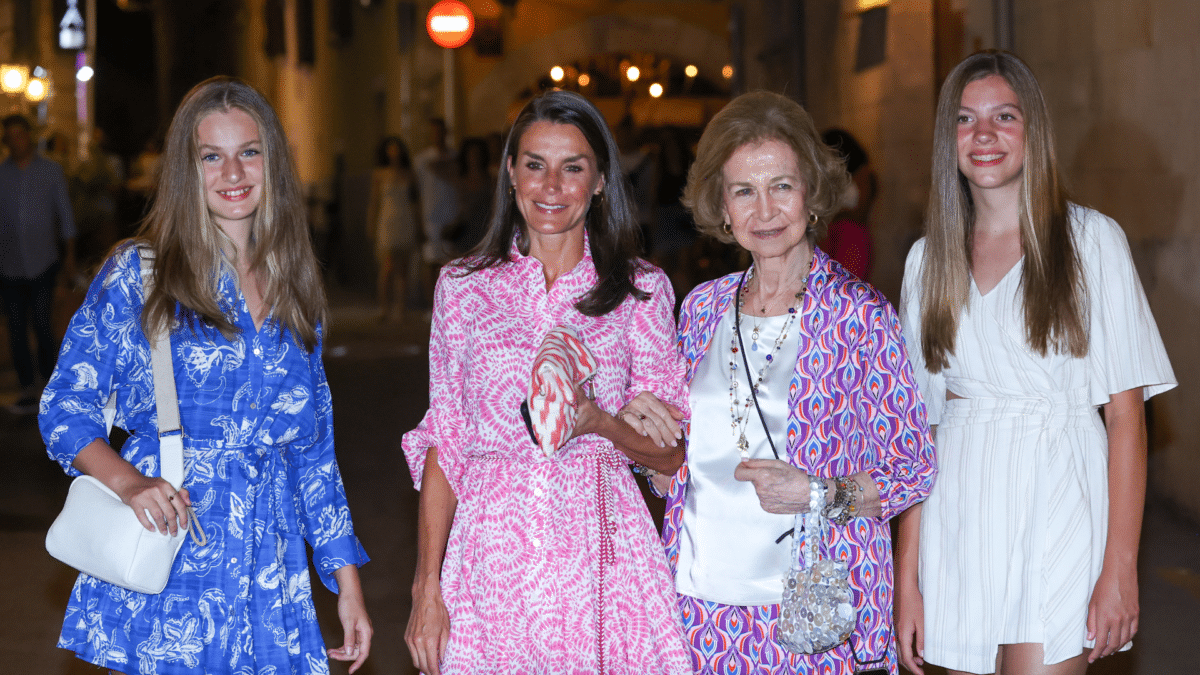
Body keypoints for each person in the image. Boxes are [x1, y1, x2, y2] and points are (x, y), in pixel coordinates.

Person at [39, 77, 372, 675]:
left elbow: (315, 452)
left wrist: (346, 583)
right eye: (210, 157)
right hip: (174, 551)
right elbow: (65, 405)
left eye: (249, 152)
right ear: (185, 172)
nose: (233, 173)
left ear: (273, 162)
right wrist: (128, 483)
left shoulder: (297, 287)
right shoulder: (138, 276)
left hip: (270, 567)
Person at [619, 90, 937, 675]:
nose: (764, 210)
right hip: (698, 602)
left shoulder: (859, 313)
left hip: (808, 613)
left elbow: (912, 469)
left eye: (781, 186)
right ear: (722, 205)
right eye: (744, 190)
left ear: (811, 194)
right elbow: (681, 466)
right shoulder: (700, 309)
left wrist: (815, 493)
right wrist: (649, 438)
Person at [895, 51, 1176, 675]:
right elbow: (917, 430)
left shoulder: (1091, 241)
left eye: (1004, 116)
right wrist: (906, 578)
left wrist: (1120, 570)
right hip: (960, 505)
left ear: (1033, 131)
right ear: (950, 140)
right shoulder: (926, 261)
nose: (985, 134)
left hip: (1060, 492)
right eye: (966, 120)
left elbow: (1126, 417)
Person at [402, 89, 692, 675]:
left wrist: (599, 422)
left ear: (602, 180)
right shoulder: (463, 288)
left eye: (573, 168)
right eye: (535, 165)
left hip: (602, 562)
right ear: (511, 173)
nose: (551, 186)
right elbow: (447, 439)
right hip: (489, 559)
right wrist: (426, 587)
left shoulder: (641, 291)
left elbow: (672, 457)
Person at [0, 114, 77, 414]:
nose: (16, 140)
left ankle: (49, 386)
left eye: (21, 134)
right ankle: (26, 388)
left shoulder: (51, 171)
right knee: (17, 328)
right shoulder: (2, 174)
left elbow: (66, 215)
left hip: (43, 261)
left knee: (44, 325)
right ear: (6, 140)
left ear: (29, 137)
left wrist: (69, 256)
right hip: (9, 264)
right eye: (11, 135)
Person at [366, 136, 420, 322]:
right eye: (391, 149)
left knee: (403, 269)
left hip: (405, 220)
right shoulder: (380, 175)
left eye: (397, 149)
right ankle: (384, 308)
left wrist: (419, 224)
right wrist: (371, 223)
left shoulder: (410, 174)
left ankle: (401, 308)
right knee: (387, 267)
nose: (394, 152)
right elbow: (374, 202)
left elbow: (415, 202)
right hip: (388, 222)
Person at [819, 128, 877, 281]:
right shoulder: (835, 175)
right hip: (834, 234)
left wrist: (839, 215)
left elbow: (863, 212)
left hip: (852, 236)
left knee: (847, 287)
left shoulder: (863, 172)